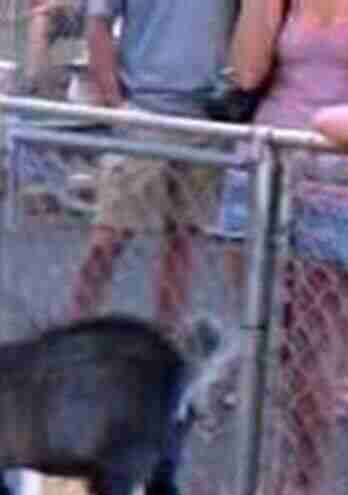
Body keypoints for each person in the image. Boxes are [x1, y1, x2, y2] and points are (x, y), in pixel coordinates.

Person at [224, 0, 348, 495]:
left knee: (315, 348)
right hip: (267, 172)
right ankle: (273, 472)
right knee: (270, 343)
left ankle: (312, 481)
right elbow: (247, 72)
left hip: (340, 185)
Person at [66, 0, 237, 327]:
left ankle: (166, 339)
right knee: (108, 240)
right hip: (143, 115)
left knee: (183, 238)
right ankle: (73, 334)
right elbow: (98, 25)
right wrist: (117, 107)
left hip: (207, 118)